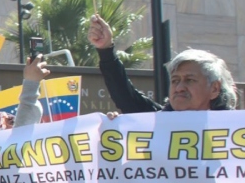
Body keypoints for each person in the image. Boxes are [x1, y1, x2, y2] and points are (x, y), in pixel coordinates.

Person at [88, 14, 238, 113]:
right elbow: (126, 97)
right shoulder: (155, 121)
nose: (179, 88)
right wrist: (106, 49)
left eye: (190, 80)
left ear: (214, 88)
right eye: (175, 81)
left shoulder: (234, 132)